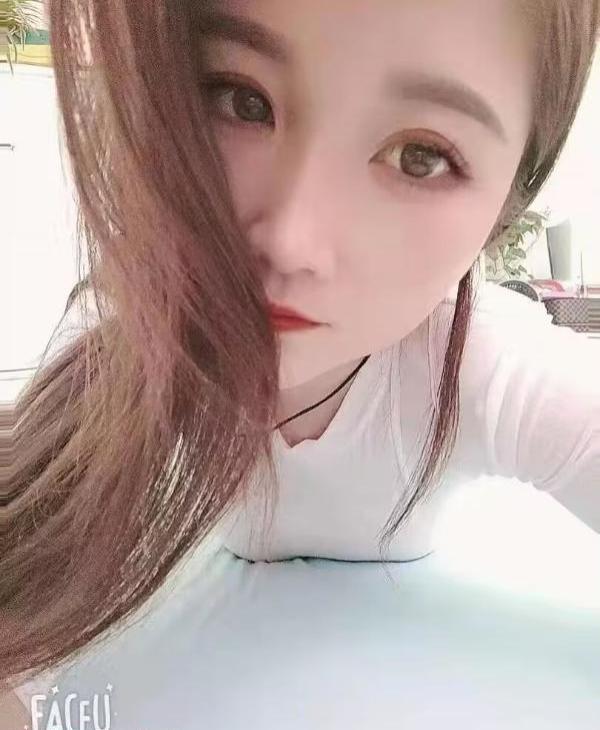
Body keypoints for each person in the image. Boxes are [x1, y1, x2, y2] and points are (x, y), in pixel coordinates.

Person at [2, 0, 599, 707]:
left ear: (506, 211)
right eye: (240, 100)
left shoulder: (482, 362)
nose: (290, 241)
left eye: (421, 157)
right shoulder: (120, 334)